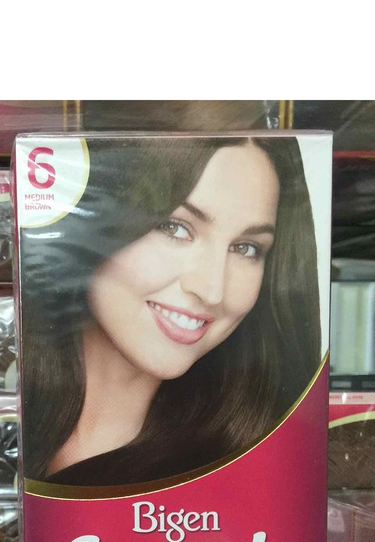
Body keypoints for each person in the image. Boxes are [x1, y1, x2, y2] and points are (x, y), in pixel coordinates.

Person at [22, 135, 321, 487]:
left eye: (246, 248)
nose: (212, 291)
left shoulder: (257, 464)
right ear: (91, 221)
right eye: (174, 227)